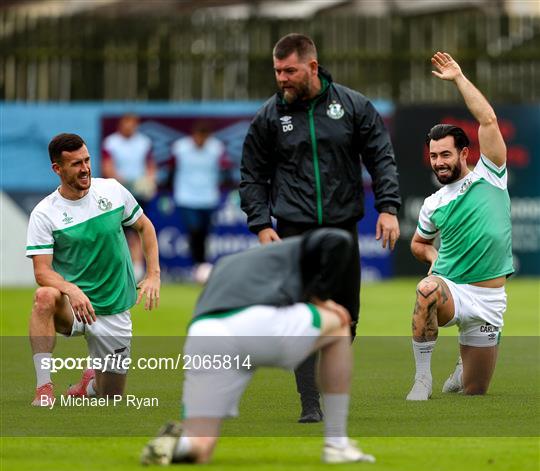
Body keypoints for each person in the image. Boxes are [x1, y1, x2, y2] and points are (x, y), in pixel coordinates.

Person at [239, 33, 401, 422]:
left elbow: (381, 158)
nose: (282, 78)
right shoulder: (268, 117)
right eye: (277, 71)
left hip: (343, 228)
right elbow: (251, 176)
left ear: (312, 66)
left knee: (346, 317)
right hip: (293, 231)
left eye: (289, 70)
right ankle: (309, 403)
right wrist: (261, 225)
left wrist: (389, 207)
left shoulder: (352, 106)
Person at [140, 228, 375, 465]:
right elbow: (339, 240)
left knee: (200, 446)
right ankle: (337, 443)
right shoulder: (299, 247)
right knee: (338, 327)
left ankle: (176, 444)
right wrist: (323, 300)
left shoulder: (227, 263)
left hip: (204, 333)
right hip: (254, 323)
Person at [406, 52, 513, 401]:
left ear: (464, 153)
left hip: (489, 299)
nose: (438, 162)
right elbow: (418, 245)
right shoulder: (433, 204)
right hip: (451, 288)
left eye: (445, 155)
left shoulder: (491, 174)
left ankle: (461, 370)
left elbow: (489, 120)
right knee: (425, 290)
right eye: (434, 156)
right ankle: (422, 379)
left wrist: (458, 78)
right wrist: (433, 256)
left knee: (475, 390)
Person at [26, 133, 161, 406]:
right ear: (57, 169)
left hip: (113, 311)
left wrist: (153, 275)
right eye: (76, 164)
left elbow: (145, 226)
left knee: (110, 397)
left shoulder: (112, 190)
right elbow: (42, 272)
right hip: (74, 307)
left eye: (87, 160)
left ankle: (89, 384)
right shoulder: (44, 213)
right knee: (44, 297)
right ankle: (44, 387)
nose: (85, 168)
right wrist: (71, 289)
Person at [170, 121, 230, 282]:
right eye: (198, 137)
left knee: (205, 233)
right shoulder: (180, 148)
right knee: (194, 231)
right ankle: (198, 265)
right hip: (186, 197)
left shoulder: (216, 149)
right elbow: (171, 170)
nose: (200, 141)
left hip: (209, 198)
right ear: (193, 135)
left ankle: (201, 266)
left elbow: (226, 170)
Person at [102, 114, 156, 280]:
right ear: (121, 124)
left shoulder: (144, 142)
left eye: (133, 124)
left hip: (139, 194)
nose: (130, 127)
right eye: (127, 123)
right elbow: (107, 166)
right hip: (117, 194)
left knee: (139, 229)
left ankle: (138, 267)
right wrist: (120, 183)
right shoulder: (111, 142)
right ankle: (118, 267)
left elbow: (150, 166)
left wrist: (148, 182)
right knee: (117, 231)